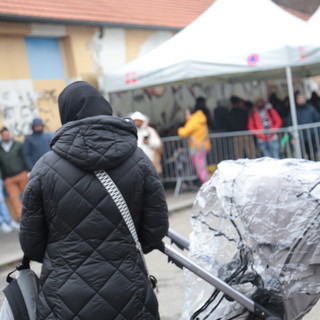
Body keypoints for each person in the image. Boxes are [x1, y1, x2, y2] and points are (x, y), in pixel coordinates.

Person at [19, 81, 169, 320]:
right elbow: (155, 229)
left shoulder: (44, 168)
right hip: (130, 291)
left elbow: (31, 242)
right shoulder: (139, 161)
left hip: (63, 297)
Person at [0, 127, 28, 221]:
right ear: (2, 136)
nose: (7, 136)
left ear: (10, 134)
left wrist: (28, 171)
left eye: (8, 134)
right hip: (8, 179)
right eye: (4, 135)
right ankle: (22, 219)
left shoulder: (18, 145)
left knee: (28, 196)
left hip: (21, 174)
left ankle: (33, 215)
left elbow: (25, 157)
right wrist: (2, 178)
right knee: (14, 199)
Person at [178, 106, 211, 185]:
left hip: (197, 147)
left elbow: (184, 133)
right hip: (203, 146)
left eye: (187, 113)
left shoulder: (193, 121)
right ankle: (207, 183)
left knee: (200, 168)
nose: (186, 115)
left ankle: (207, 184)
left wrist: (179, 129)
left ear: (191, 113)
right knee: (201, 167)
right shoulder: (200, 118)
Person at [288, 94, 320, 160]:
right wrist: (291, 137)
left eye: (302, 99)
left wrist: (316, 133)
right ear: (296, 101)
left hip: (312, 136)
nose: (301, 100)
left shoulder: (311, 109)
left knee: (313, 155)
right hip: (299, 137)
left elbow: (317, 120)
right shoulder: (294, 111)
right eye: (299, 99)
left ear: (305, 100)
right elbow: (289, 124)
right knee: (301, 156)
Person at [131, 111, 163, 176]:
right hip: (137, 163)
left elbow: (158, 144)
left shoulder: (150, 130)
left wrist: (149, 142)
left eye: (138, 120)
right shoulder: (132, 131)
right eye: (135, 120)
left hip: (151, 160)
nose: (136, 122)